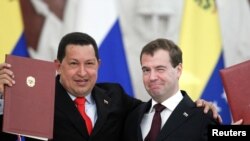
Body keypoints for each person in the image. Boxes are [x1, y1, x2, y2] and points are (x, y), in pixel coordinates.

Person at [0, 32, 220, 141]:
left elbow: (166, 108)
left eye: (89, 64)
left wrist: (199, 107)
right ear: (58, 66)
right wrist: (2, 100)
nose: (82, 72)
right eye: (74, 64)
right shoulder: (36, 97)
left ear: (99, 65)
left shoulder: (116, 98)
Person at [123, 38, 220, 141]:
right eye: (146, 70)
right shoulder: (132, 117)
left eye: (160, 69)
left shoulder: (203, 118)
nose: (152, 77)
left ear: (178, 70)